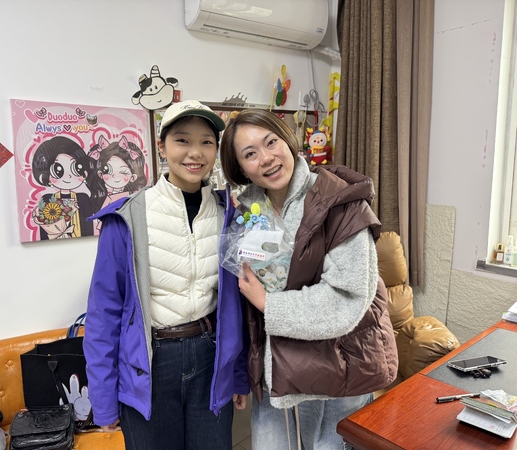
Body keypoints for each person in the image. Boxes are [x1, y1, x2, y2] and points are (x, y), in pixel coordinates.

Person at [219, 109, 398, 450]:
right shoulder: (245, 215)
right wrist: (239, 373)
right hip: (278, 370)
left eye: (271, 142)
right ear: (240, 168)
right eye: (250, 153)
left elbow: (346, 299)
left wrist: (269, 303)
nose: (266, 158)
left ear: (288, 141)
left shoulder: (341, 202)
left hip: (341, 366)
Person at [84, 100, 249, 450]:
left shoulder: (228, 215)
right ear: (161, 147)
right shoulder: (127, 218)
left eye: (206, 142)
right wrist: (103, 398)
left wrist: (237, 374)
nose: (195, 153)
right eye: (182, 140)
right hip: (150, 364)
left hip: (210, 357)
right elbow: (103, 315)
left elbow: (235, 305)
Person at [31, 135, 99, 239]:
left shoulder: (83, 198)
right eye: (58, 170)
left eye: (76, 168)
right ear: (45, 175)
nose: (69, 176)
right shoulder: (47, 199)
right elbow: (44, 233)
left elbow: (88, 228)